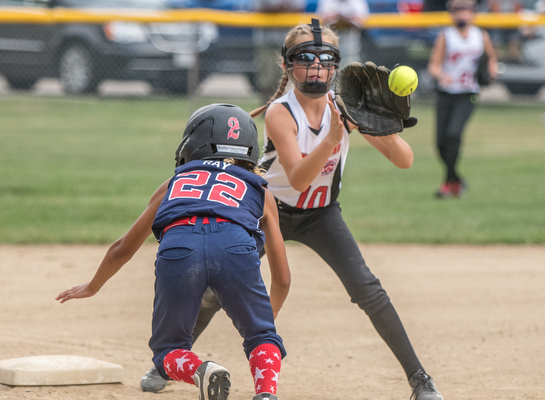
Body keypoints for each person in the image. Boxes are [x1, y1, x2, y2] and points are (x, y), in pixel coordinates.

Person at [142, 18, 444, 400]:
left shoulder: (343, 105)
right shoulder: (280, 113)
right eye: (305, 58)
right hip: (269, 213)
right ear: (286, 65)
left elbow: (405, 160)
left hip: (322, 215)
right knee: (218, 289)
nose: (316, 66)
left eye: (325, 58)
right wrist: (335, 136)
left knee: (368, 288)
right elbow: (299, 178)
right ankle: (164, 361)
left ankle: (420, 379)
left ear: (335, 66)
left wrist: (383, 124)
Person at [56, 104, 291, 400]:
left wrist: (93, 286)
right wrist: (266, 321)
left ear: (192, 144)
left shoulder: (174, 183)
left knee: (168, 351)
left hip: (180, 247)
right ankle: (266, 394)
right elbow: (282, 278)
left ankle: (200, 370)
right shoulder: (260, 190)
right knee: (262, 338)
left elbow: (122, 249)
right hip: (234, 247)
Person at [428, 0, 498, 198]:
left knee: (454, 135)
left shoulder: (480, 36)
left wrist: (492, 71)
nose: (462, 14)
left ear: (473, 13)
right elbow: (434, 65)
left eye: (466, 10)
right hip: (446, 92)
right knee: (441, 142)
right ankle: (456, 179)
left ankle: (448, 182)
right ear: (452, 13)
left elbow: (491, 58)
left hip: (468, 93)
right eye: (458, 10)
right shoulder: (446, 36)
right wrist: (441, 74)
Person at [316, 0, 369, 66]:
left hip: (350, 39)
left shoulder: (357, 1)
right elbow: (322, 19)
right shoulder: (326, 1)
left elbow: (361, 20)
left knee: (351, 62)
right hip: (331, 37)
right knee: (331, 61)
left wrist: (346, 19)